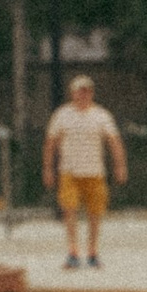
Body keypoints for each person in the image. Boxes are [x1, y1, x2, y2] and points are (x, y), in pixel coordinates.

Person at [43, 72, 127, 268]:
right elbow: (50, 143)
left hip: (95, 171)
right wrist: (48, 168)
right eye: (80, 92)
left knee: (95, 213)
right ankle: (73, 251)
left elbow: (114, 141)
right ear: (73, 93)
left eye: (87, 92)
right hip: (69, 171)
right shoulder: (62, 115)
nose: (83, 95)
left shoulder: (101, 115)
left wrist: (120, 165)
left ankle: (92, 251)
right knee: (69, 209)